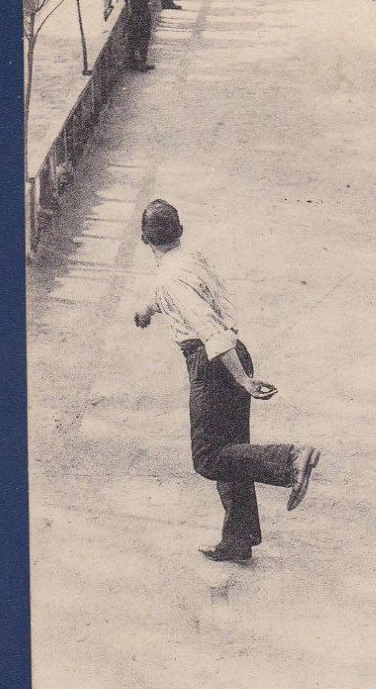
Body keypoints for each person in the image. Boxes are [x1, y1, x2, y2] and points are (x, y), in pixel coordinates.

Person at [134, 201, 321, 564]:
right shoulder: (190, 259)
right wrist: (147, 311)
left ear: (144, 238)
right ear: (180, 231)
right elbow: (189, 300)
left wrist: (243, 380)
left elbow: (210, 331)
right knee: (233, 451)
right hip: (235, 352)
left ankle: (291, 459)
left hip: (214, 363)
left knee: (208, 458)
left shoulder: (169, 278)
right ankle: (239, 538)